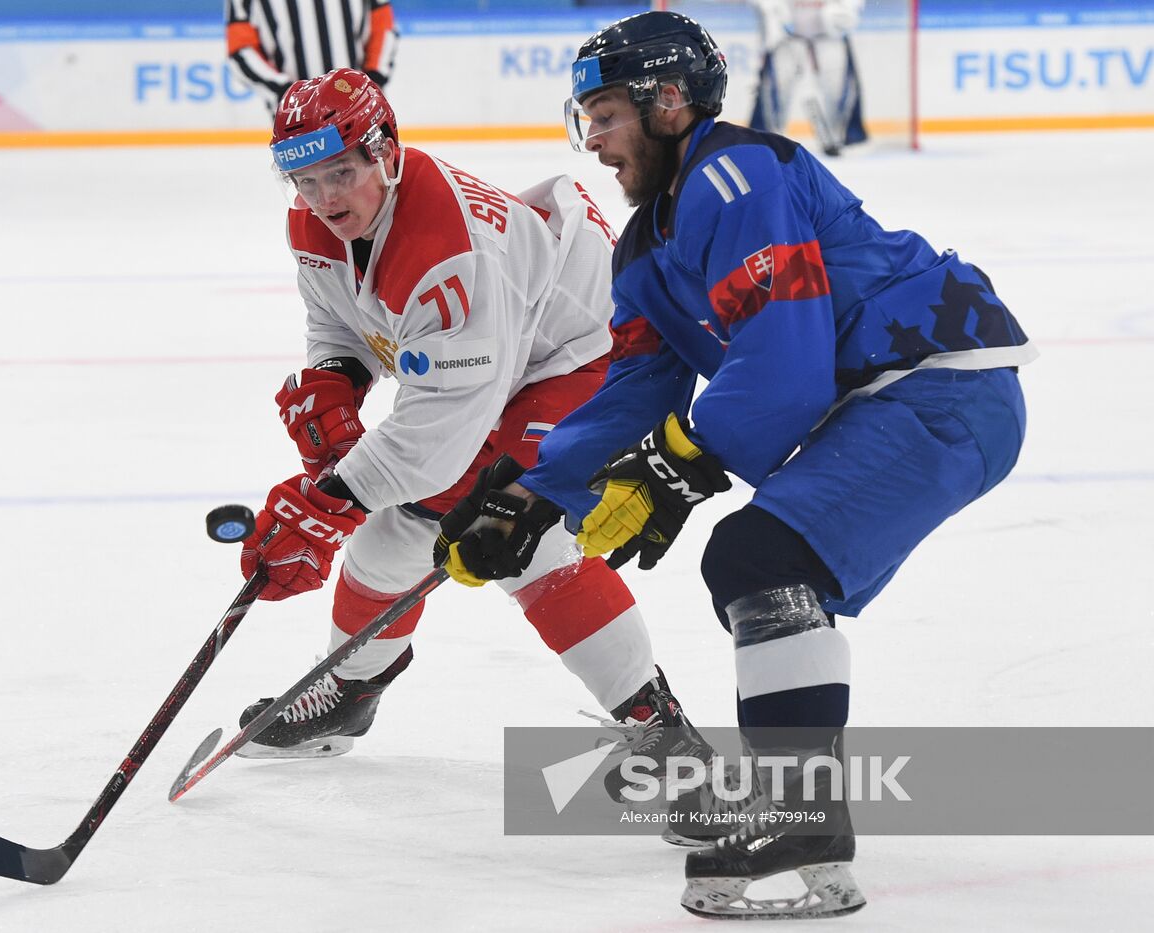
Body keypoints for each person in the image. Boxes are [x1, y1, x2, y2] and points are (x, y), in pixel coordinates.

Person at [437, 10, 1034, 921]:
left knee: (761, 558)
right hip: (901, 399)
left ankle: (802, 811)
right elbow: (638, 390)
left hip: (943, 388)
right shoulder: (646, 250)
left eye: (606, 114)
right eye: (586, 118)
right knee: (765, 566)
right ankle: (807, 815)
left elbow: (783, 357)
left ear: (669, 101)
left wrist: (684, 462)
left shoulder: (735, 172)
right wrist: (525, 492)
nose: (592, 140)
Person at [233, 68, 711, 778]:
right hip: (505, 354)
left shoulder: (447, 249)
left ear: (383, 152)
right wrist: (337, 378)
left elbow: (438, 437)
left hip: (585, 361)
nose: (324, 197)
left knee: (517, 531)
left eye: (340, 172)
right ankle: (352, 684)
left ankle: (665, 734)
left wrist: (326, 503)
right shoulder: (315, 220)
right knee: (390, 541)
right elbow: (336, 318)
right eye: (305, 179)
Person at [227, 0, 399, 115]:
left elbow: (383, 28)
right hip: (294, 119)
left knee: (374, 168)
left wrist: (372, 83)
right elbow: (241, 50)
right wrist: (288, 95)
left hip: (361, 107)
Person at [748, 0, 868, 155]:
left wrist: (844, 12)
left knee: (838, 90)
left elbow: (852, 5)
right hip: (786, 38)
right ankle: (769, 141)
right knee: (776, 90)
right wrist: (773, 10)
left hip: (829, 37)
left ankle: (837, 138)